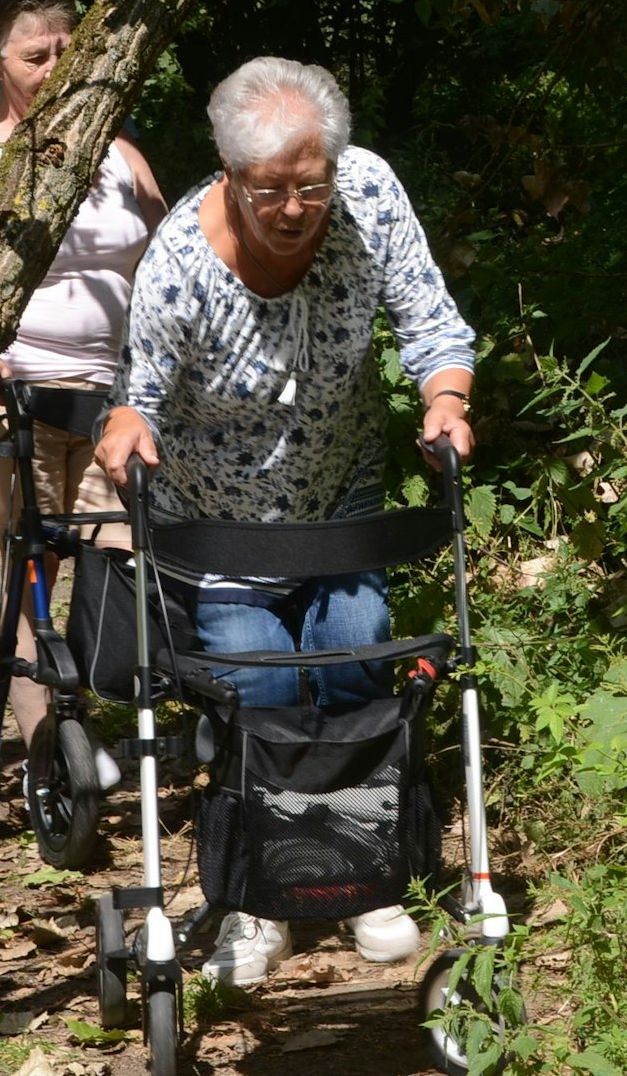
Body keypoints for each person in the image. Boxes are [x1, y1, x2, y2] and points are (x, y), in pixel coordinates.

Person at [94, 57, 476, 987]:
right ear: (229, 174)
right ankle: (256, 903)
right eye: (272, 190)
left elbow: (432, 324)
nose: (296, 208)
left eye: (312, 184)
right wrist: (126, 425)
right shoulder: (180, 261)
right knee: (255, 701)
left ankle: (363, 872)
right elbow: (136, 392)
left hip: (340, 499)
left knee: (354, 667)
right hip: (221, 527)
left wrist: (447, 397)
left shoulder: (371, 195)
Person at [0, 0, 166, 779]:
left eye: (70, 49)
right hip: (17, 396)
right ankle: (47, 748)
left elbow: (170, 263)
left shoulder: (118, 150)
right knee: (33, 562)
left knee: (113, 558)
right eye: (38, 55)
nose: (57, 67)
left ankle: (90, 716)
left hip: (112, 399)